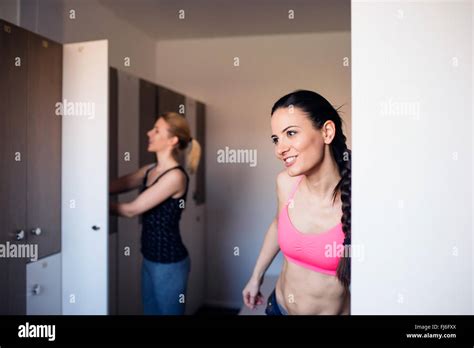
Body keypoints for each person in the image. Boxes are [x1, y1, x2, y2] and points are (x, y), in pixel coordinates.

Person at [242, 90, 351, 315]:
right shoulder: (285, 184)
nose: (279, 149)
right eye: (276, 139)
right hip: (278, 308)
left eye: (291, 133)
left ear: (327, 132)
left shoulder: (361, 198)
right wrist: (256, 277)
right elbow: (277, 225)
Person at [110, 112, 201, 315]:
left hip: (169, 262)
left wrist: (92, 205)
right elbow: (116, 185)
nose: (148, 132)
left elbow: (131, 209)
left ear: (172, 140)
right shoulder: (150, 170)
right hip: (150, 257)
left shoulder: (175, 176)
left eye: (156, 130)